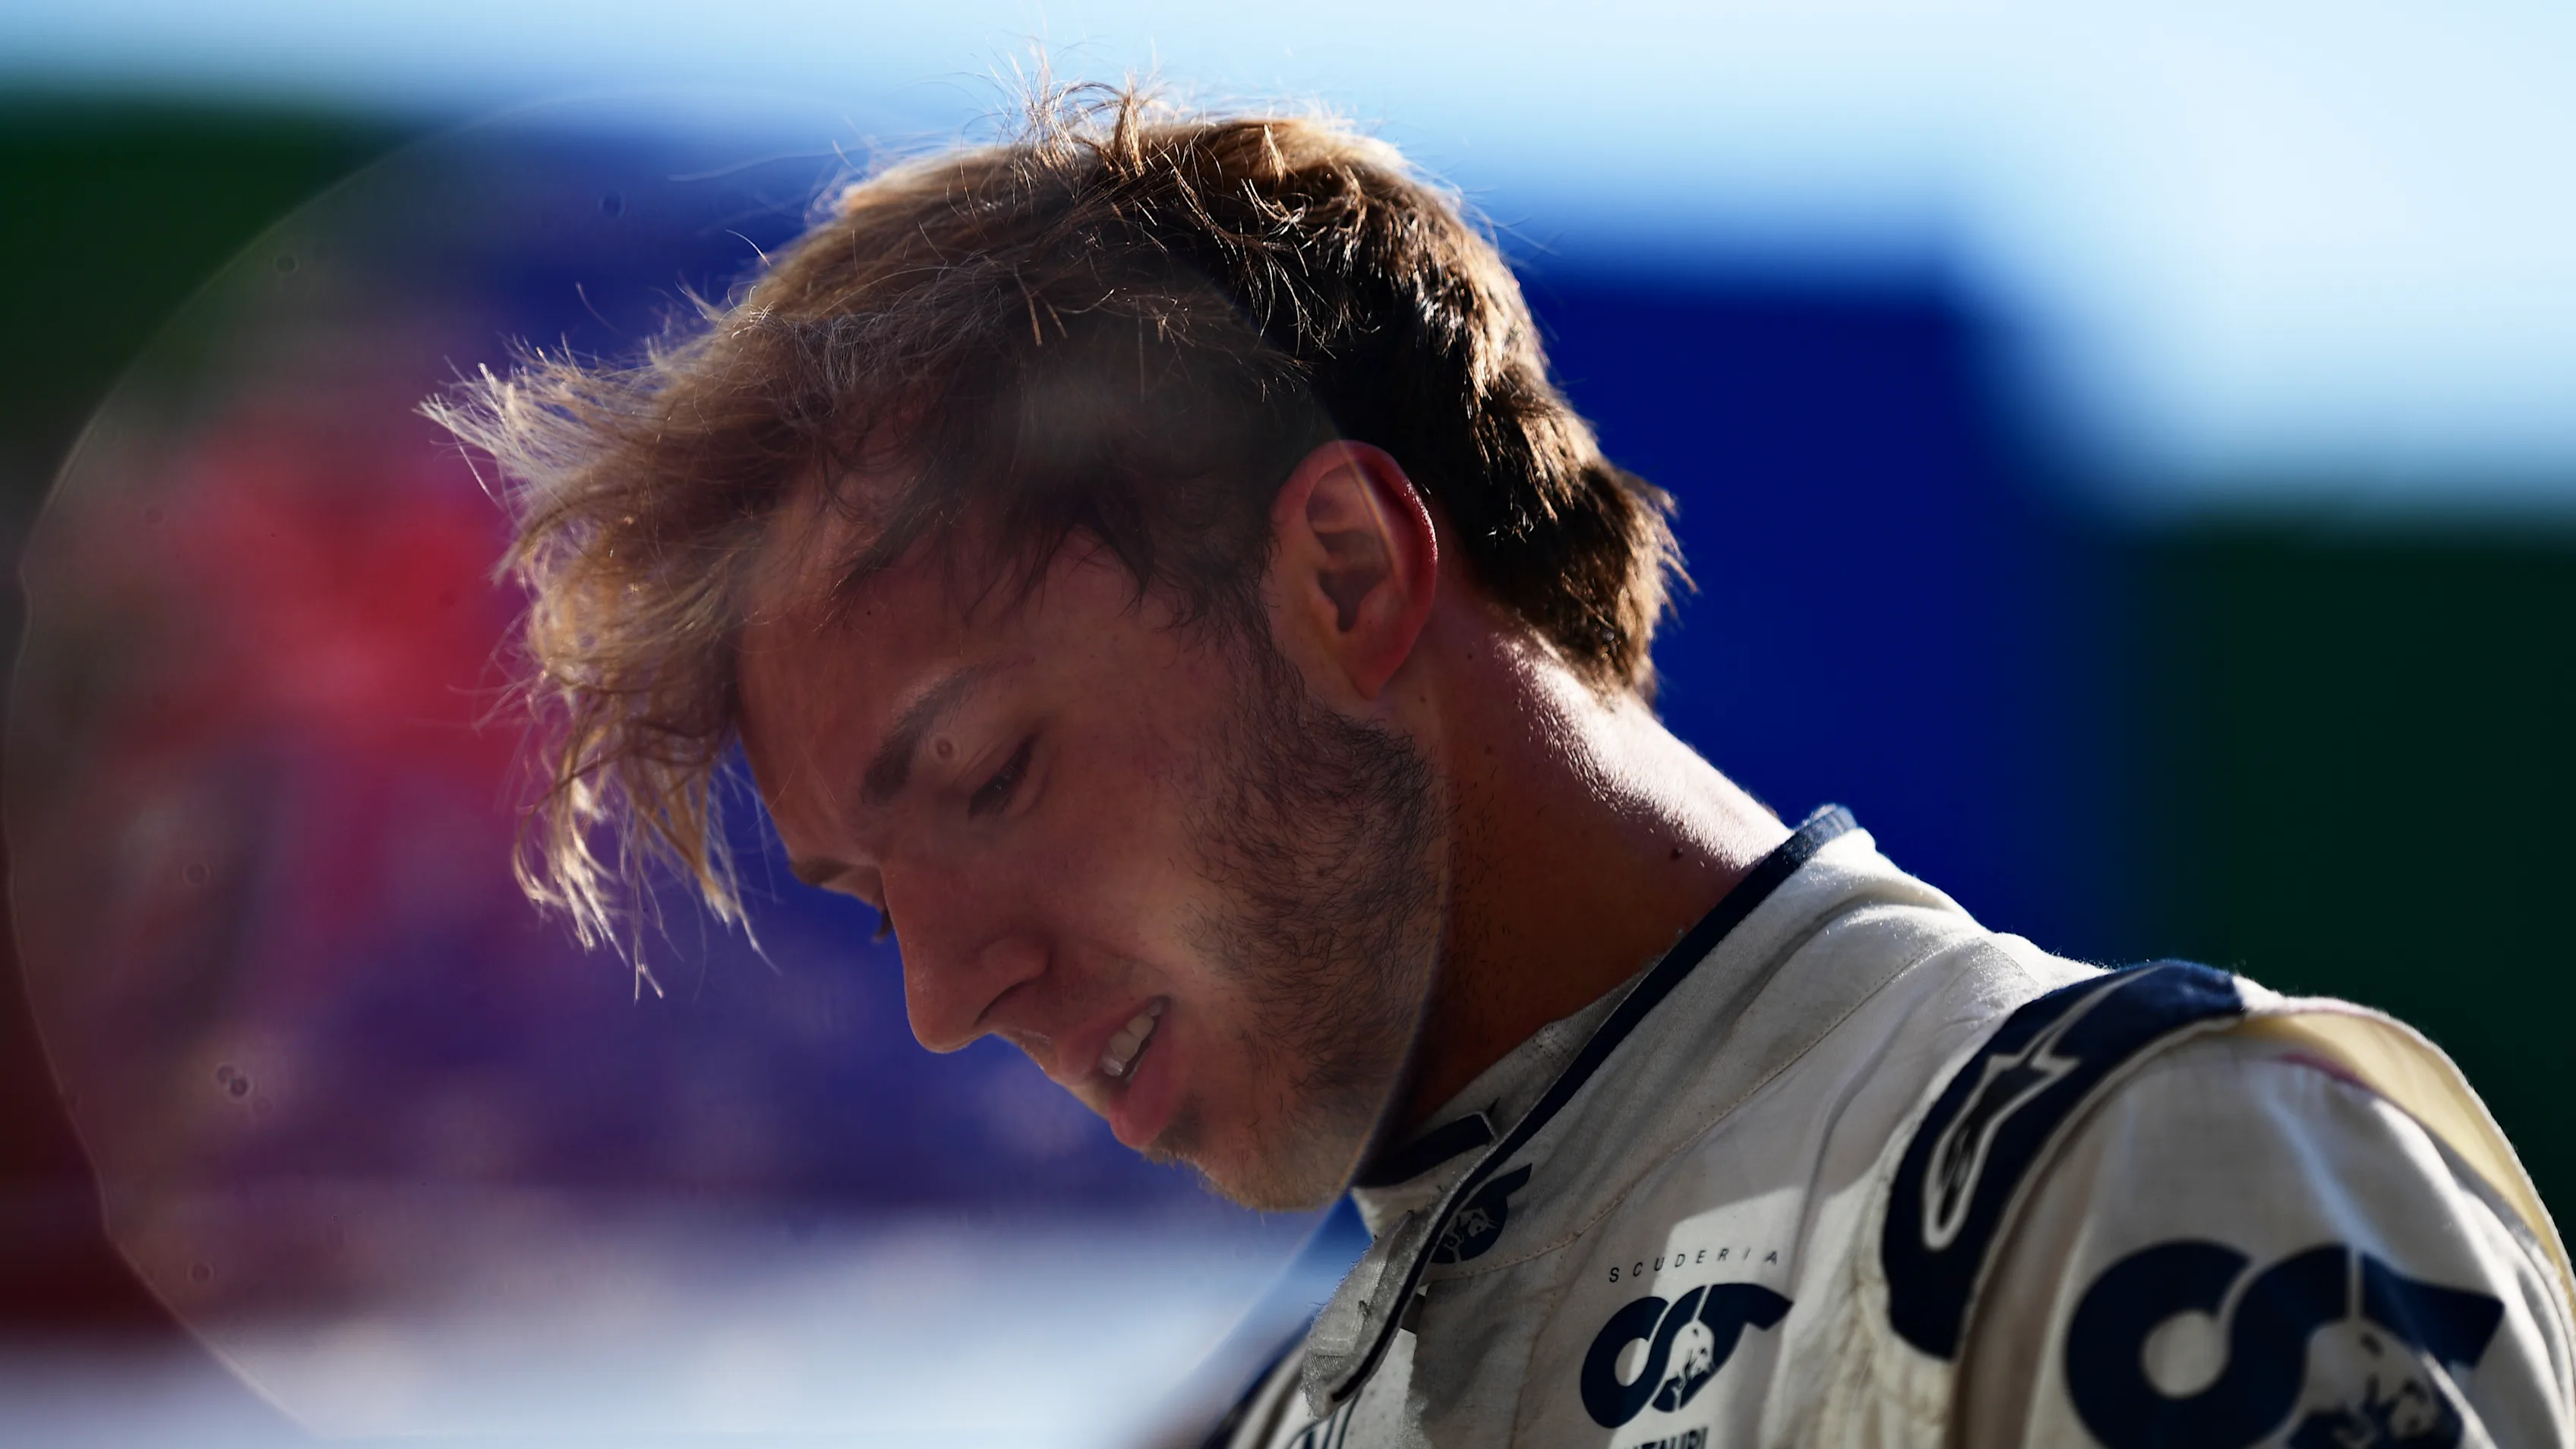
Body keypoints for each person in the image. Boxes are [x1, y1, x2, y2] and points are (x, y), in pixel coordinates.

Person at [432, 86, 2574, 1448]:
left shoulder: (2141, 1174)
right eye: (869, 893)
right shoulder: (1286, 1409)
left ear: (1348, 570)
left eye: (984, 773)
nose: (943, 993)